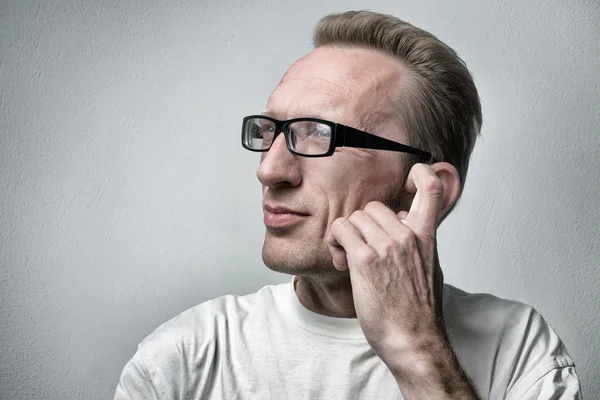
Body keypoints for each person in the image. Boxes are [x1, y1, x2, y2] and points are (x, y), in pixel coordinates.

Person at [115, 10, 582, 399]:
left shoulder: (521, 351)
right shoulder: (180, 360)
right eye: (271, 131)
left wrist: (417, 351)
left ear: (424, 189)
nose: (269, 171)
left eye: (318, 133)